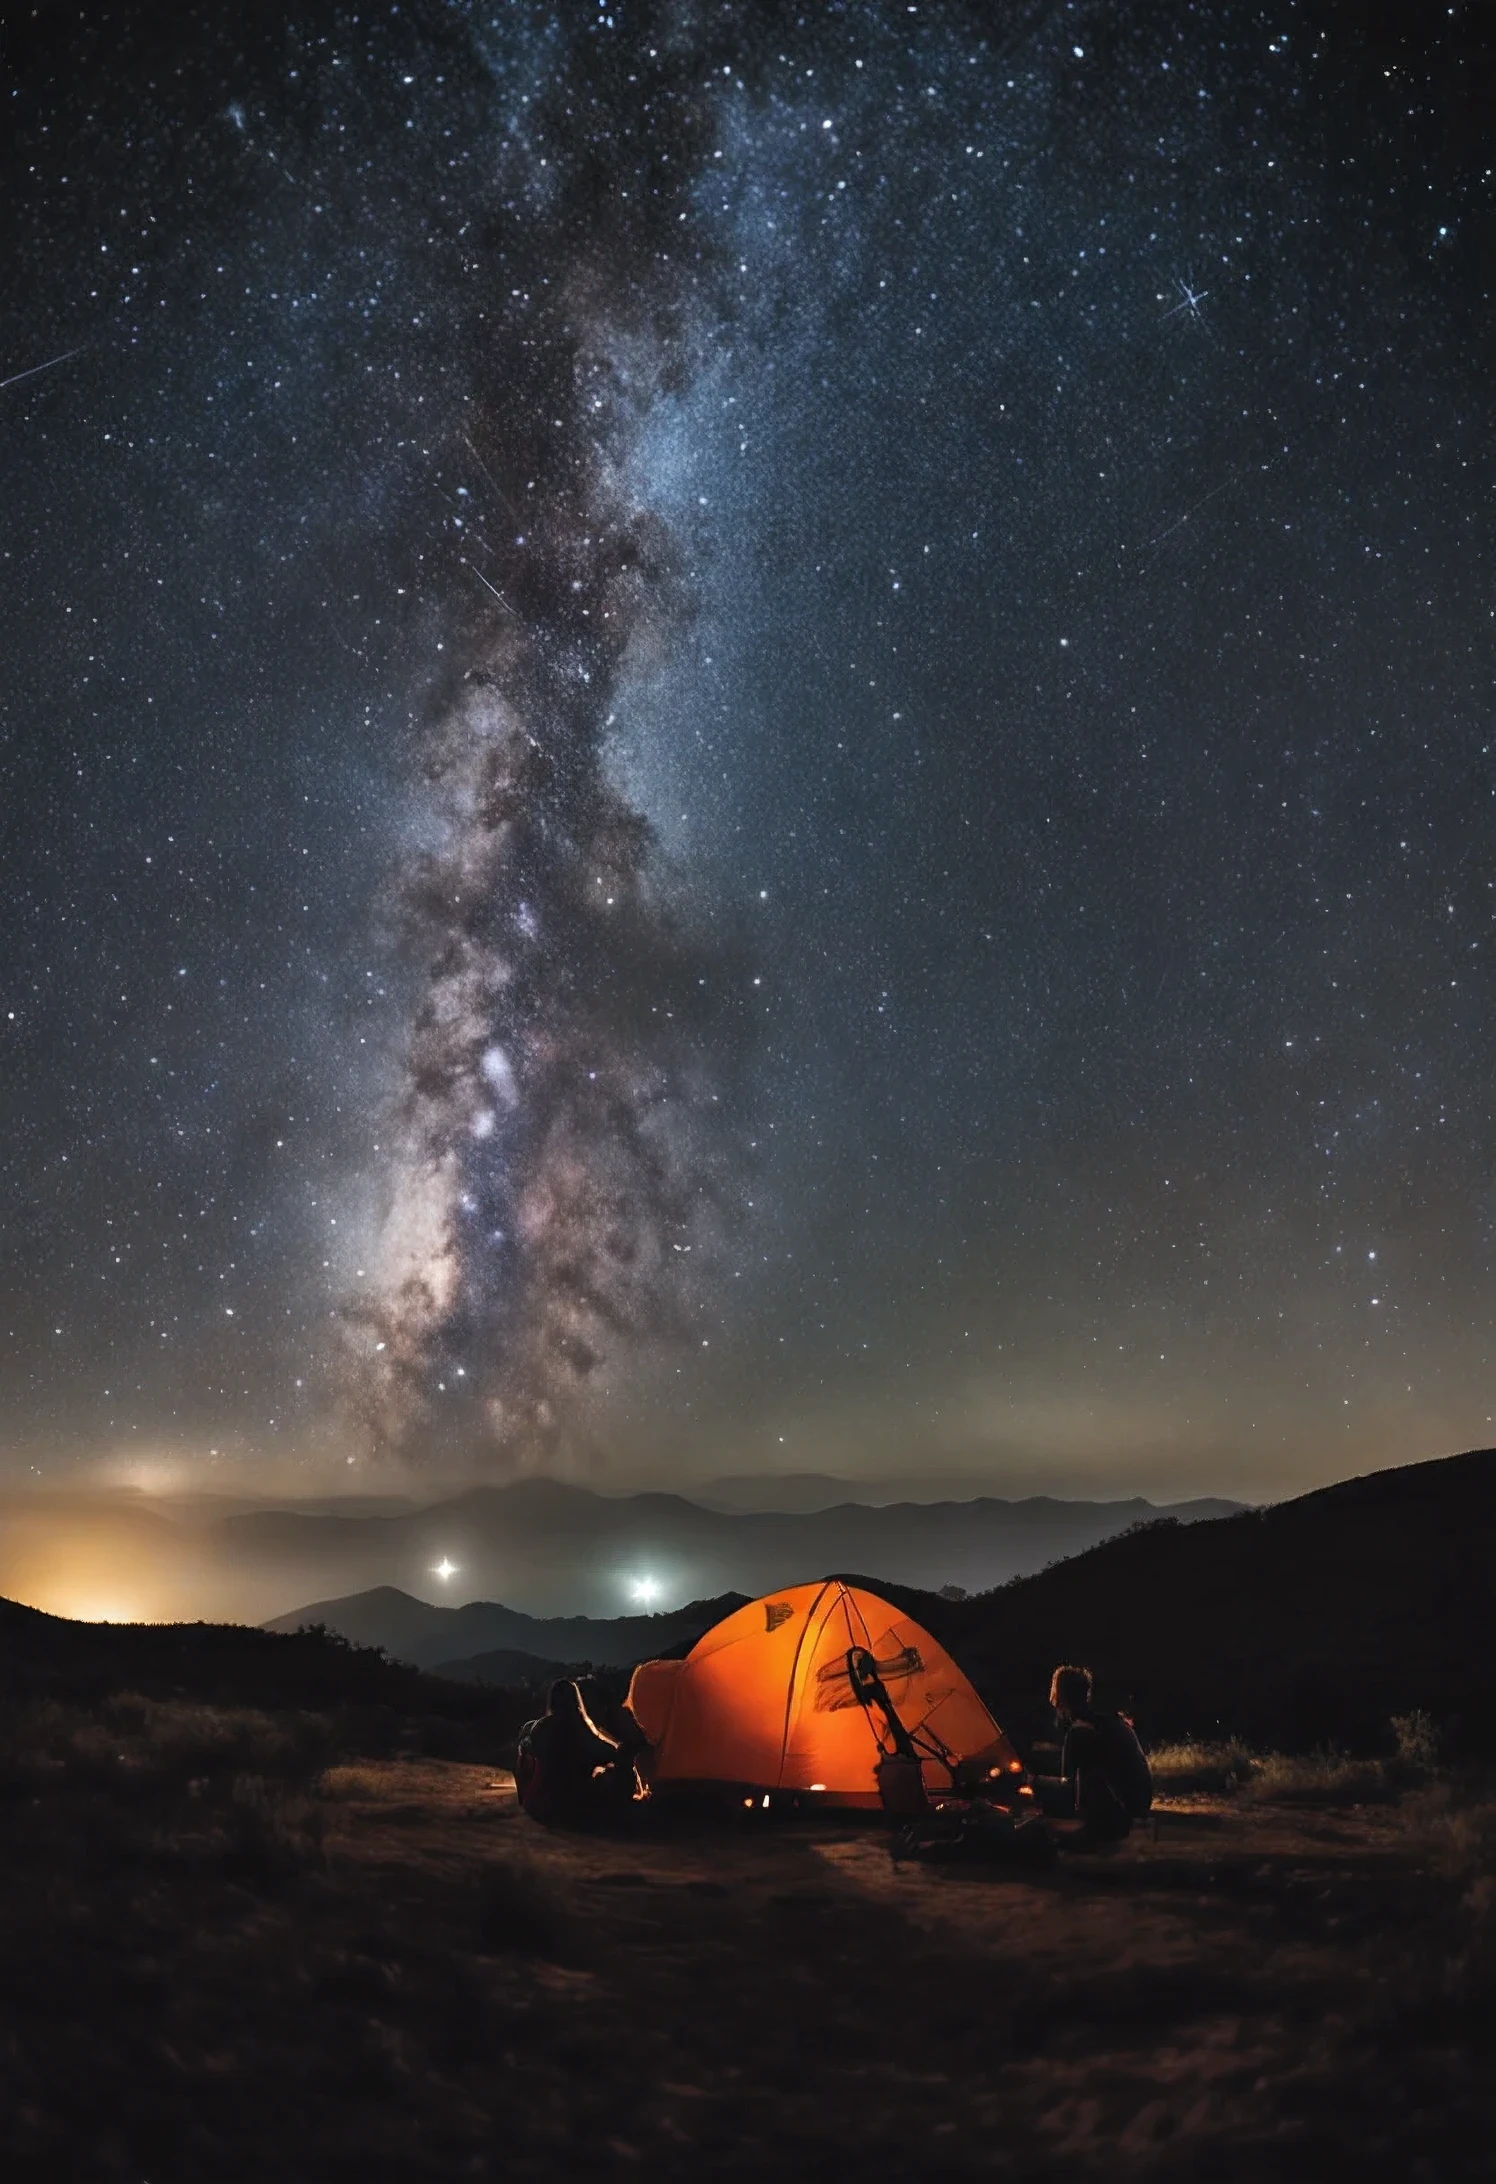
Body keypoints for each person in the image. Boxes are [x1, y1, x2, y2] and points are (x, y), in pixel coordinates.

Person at [1030, 1664, 1152, 1846]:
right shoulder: (1110, 1721)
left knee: (1040, 1822)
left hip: (1118, 1813)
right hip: (1137, 1804)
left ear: (1060, 1697)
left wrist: (1034, 1782)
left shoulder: (1081, 1731)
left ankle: (1094, 1830)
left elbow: (1069, 1786)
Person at [516, 1679, 639, 1828]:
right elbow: (611, 1754)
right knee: (619, 1771)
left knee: (524, 1751)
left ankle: (525, 1795)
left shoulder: (540, 1728)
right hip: (573, 1810)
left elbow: (526, 1750)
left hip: (540, 1806)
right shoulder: (579, 1731)